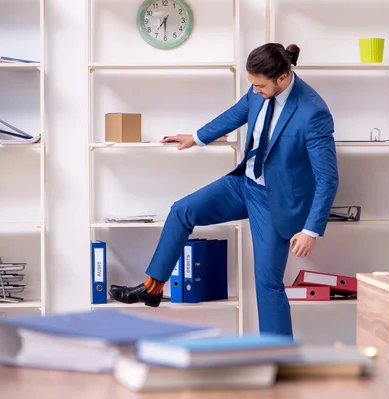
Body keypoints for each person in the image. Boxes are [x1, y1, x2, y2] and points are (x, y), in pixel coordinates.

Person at [108, 43, 339, 337]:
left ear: (282, 78)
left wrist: (311, 230)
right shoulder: (259, 91)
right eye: (251, 85)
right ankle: (153, 288)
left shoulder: (313, 112)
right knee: (182, 210)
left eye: (259, 85)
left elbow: (328, 178)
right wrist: (196, 137)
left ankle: (278, 355)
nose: (254, 91)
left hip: (275, 202)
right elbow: (235, 114)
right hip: (245, 183)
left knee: (267, 282)